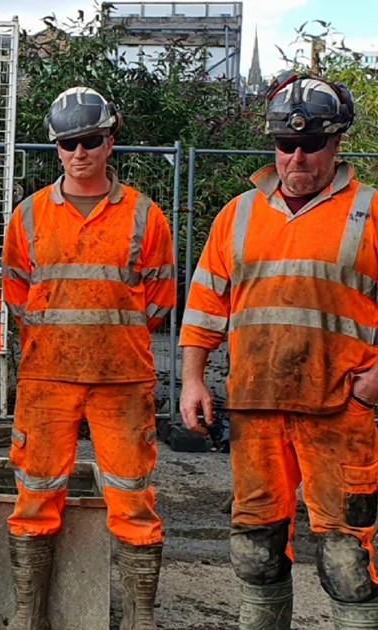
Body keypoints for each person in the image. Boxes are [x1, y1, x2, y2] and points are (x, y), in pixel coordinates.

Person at [180, 72, 378, 629]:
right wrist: (193, 380)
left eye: (311, 145)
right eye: (286, 145)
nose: (297, 158)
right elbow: (203, 307)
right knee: (257, 552)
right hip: (255, 415)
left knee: (347, 561)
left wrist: (374, 380)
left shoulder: (370, 213)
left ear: (336, 143)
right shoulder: (238, 215)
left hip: (340, 416)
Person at [2, 87, 175, 630]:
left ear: (110, 140)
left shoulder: (146, 218)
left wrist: (106, 339)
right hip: (46, 381)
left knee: (132, 498)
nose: (80, 153)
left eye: (91, 141)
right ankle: (30, 616)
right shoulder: (28, 218)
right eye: (68, 143)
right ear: (56, 148)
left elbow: (160, 300)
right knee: (35, 496)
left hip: (121, 382)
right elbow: (16, 295)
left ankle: (140, 619)